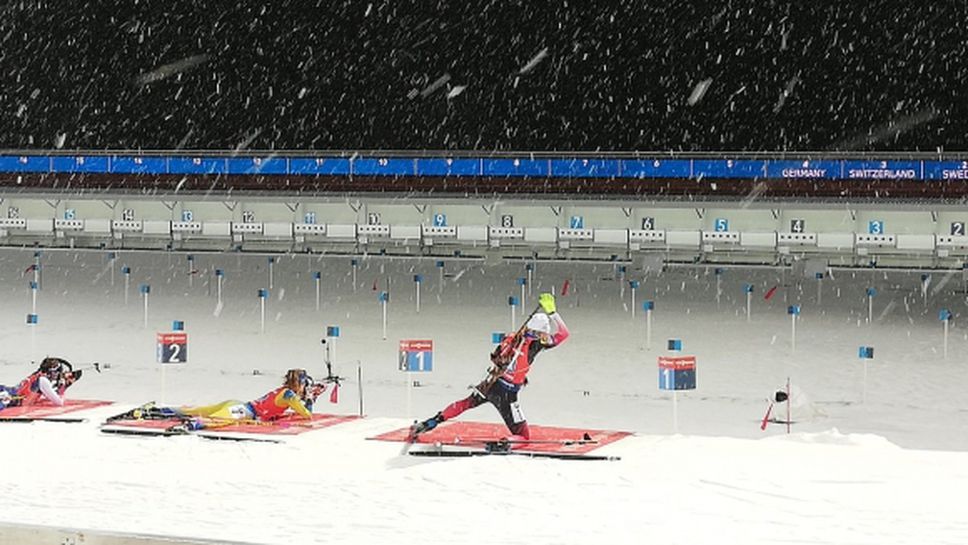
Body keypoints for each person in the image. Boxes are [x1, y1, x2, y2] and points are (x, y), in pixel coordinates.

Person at [410, 293, 569, 441]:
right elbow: (564, 334)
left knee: (466, 403)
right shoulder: (535, 345)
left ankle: (432, 421)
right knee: (523, 435)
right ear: (537, 333)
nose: (545, 336)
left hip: (490, 384)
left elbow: (498, 355)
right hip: (508, 395)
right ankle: (506, 442)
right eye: (543, 333)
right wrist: (552, 313)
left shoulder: (512, 338)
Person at [109, 369, 325, 430]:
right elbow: (306, 414)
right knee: (218, 420)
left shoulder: (285, 391)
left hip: (239, 405)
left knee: (198, 410)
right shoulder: (289, 395)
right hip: (244, 411)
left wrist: (307, 396)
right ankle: (190, 426)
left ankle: (155, 411)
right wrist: (311, 399)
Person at [0, 357, 82, 410]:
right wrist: (65, 386)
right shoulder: (43, 381)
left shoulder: (39, 375)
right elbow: (59, 402)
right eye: (58, 373)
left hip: (9, 393)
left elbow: (49, 395)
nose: (58, 376)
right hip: (9, 397)